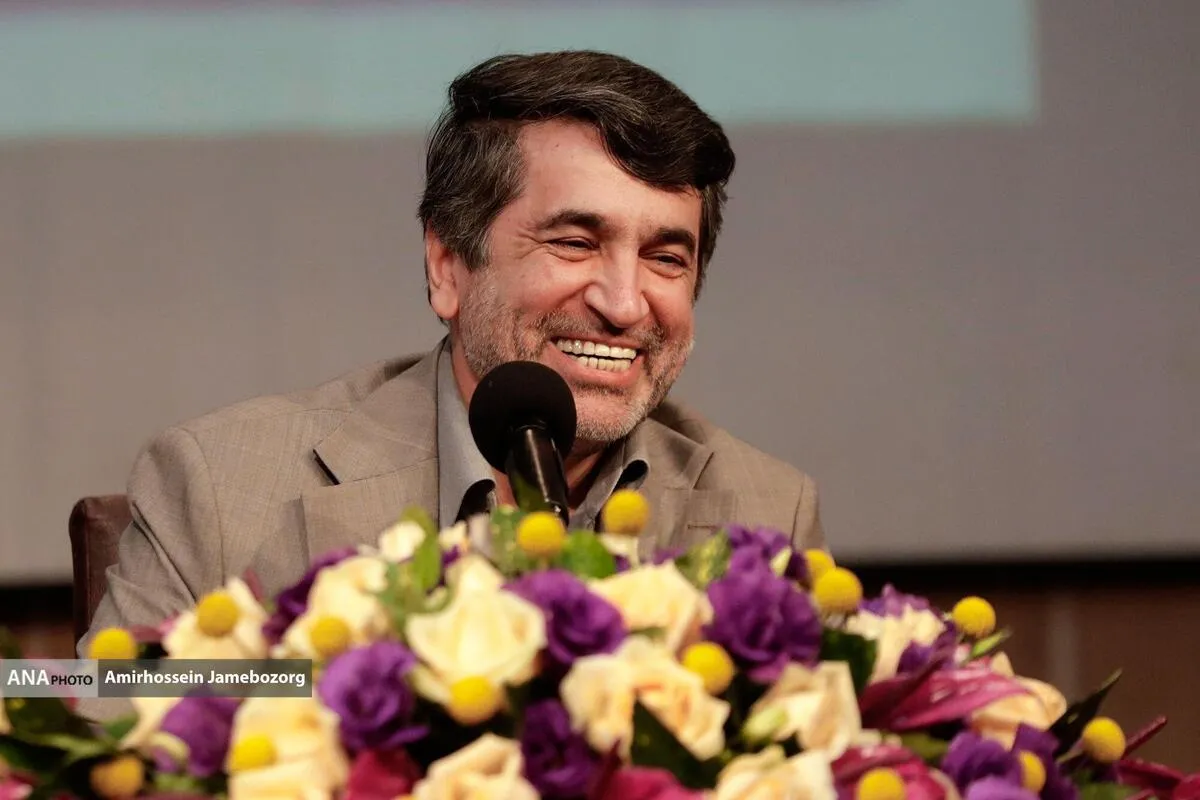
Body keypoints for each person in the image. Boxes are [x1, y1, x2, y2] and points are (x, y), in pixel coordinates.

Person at [81, 50, 826, 651]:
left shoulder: (768, 512)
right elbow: (92, 711)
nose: (625, 303)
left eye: (666, 258)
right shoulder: (222, 484)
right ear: (447, 267)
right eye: (574, 243)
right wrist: (307, 695)